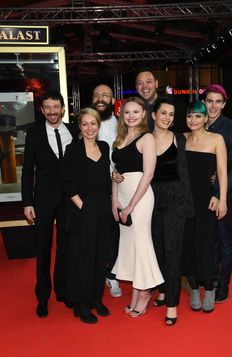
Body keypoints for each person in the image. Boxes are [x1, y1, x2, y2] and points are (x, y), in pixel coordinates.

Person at [21, 90, 79, 318]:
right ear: (42, 110)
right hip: (43, 200)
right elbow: (27, 171)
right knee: (43, 248)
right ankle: (42, 297)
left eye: (57, 107)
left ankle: (63, 291)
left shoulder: (74, 131)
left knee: (66, 247)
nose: (53, 112)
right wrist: (27, 202)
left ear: (63, 108)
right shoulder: (34, 133)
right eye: (48, 108)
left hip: (69, 199)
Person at [111, 96, 164, 318]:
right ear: (122, 115)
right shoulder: (120, 138)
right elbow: (115, 173)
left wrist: (131, 205)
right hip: (121, 197)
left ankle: (144, 292)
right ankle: (136, 289)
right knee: (129, 245)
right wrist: (114, 200)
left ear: (143, 114)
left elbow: (149, 174)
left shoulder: (147, 138)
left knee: (141, 244)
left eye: (135, 112)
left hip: (140, 198)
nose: (131, 116)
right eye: (127, 112)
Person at [61, 107, 112, 324]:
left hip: (103, 209)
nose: (90, 128)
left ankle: (95, 299)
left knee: (100, 255)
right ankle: (81, 304)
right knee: (83, 257)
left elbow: (105, 177)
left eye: (93, 124)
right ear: (79, 127)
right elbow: (65, 181)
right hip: (82, 209)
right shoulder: (72, 149)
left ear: (98, 126)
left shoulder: (104, 146)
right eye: (85, 124)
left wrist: (115, 180)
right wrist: (82, 205)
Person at [151, 96, 194, 326]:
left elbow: (185, 172)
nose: (167, 118)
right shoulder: (145, 139)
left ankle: (171, 305)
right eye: (163, 113)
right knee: (157, 249)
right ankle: (164, 290)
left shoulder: (179, 139)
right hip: (151, 201)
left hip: (175, 200)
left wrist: (188, 206)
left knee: (173, 251)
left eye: (171, 114)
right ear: (154, 115)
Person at [182, 100, 227, 313]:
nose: (193, 120)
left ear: (205, 118)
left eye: (198, 116)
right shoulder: (182, 140)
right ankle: (193, 288)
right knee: (188, 245)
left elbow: (222, 171)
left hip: (208, 200)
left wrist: (221, 197)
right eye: (190, 116)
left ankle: (208, 287)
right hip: (185, 202)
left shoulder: (217, 139)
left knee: (206, 245)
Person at [203, 84, 232, 303]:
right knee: (209, 238)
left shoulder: (231, 128)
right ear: (204, 102)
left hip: (223, 192)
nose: (213, 105)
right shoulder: (197, 122)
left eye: (218, 101)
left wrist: (220, 193)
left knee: (224, 238)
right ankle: (211, 278)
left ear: (224, 104)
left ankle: (222, 283)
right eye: (209, 101)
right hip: (201, 193)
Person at [91, 84, 122, 298]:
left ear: (112, 100)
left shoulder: (122, 124)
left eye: (105, 95)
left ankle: (112, 275)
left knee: (115, 234)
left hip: (118, 187)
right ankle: (94, 274)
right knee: (93, 234)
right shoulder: (84, 123)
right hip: (91, 189)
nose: (101, 98)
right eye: (97, 95)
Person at [135, 68, 187, 133]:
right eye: (140, 83)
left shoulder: (176, 104)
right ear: (136, 87)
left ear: (156, 84)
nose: (144, 86)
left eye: (149, 82)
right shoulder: (133, 108)